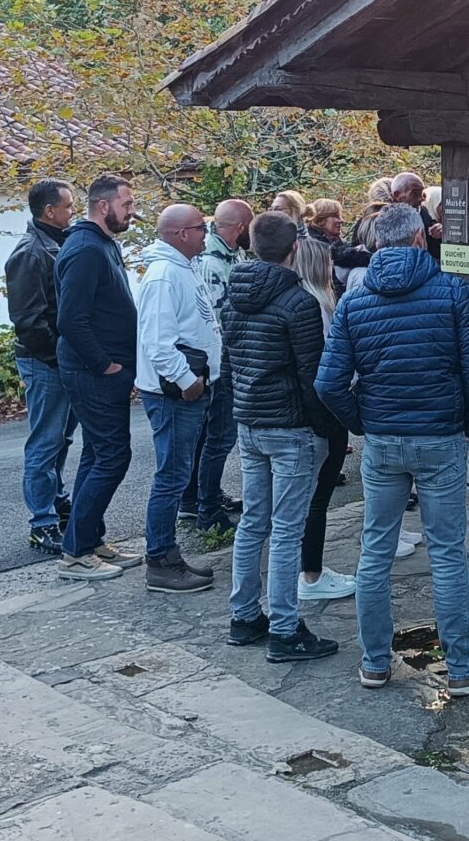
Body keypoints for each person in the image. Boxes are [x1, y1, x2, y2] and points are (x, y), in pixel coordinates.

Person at [316, 203, 469, 697]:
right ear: (421, 239)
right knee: (447, 553)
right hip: (440, 436)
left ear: (376, 245)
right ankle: (463, 667)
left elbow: (329, 382)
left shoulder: (355, 303)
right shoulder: (451, 292)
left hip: (383, 440)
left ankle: (375, 662)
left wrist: (363, 421)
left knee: (375, 551)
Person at [221, 213, 340, 661]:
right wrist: (327, 428)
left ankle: (244, 615)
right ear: (294, 250)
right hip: (291, 428)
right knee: (287, 530)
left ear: (251, 244)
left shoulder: (232, 294)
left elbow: (229, 364)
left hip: (250, 423)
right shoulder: (298, 302)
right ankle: (285, 630)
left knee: (254, 522)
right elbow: (313, 376)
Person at [289, 232, 420, 603]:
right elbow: (327, 373)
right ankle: (310, 575)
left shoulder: (322, 304)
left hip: (313, 411)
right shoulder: (316, 307)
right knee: (317, 496)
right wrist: (352, 415)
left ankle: (310, 572)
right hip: (321, 413)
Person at [54, 174, 144, 581]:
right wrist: (104, 364)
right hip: (93, 372)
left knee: (97, 454)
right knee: (112, 456)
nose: (132, 211)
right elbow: (71, 318)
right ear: (104, 207)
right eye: (126, 204)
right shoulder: (86, 249)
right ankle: (75, 553)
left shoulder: (102, 244)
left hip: (104, 370)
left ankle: (88, 540)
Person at [134, 204, 222, 594]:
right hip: (175, 395)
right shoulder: (164, 276)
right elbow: (157, 341)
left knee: (176, 473)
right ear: (181, 234)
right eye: (201, 227)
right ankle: (160, 559)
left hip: (190, 389)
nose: (207, 232)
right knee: (170, 477)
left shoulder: (181, 268)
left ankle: (167, 556)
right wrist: (187, 381)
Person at [5, 179, 77, 555]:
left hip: (60, 360)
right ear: (49, 211)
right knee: (45, 440)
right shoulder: (31, 253)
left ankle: (56, 499)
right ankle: (42, 522)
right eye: (68, 206)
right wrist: (57, 357)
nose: (73, 212)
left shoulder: (57, 244)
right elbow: (28, 319)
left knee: (59, 438)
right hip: (45, 362)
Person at [185, 198, 253, 533]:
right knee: (219, 436)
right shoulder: (212, 262)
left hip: (223, 358)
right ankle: (207, 509)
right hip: (222, 360)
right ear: (239, 228)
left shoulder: (230, 254)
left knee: (211, 434)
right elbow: (219, 316)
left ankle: (196, 495)